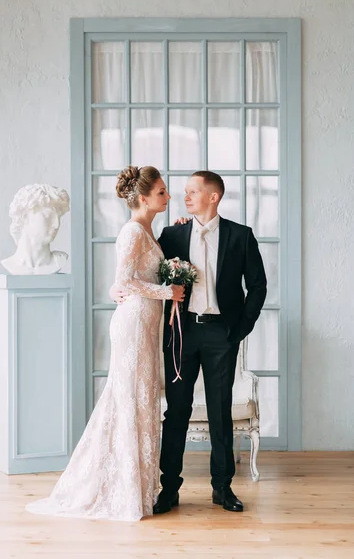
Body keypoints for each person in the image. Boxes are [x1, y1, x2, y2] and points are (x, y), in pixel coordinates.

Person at [26, 166, 184, 521]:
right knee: (129, 400)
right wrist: (167, 292)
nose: (168, 196)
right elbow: (123, 281)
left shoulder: (148, 231)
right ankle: (122, 488)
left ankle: (140, 489)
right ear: (143, 198)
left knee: (141, 401)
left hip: (146, 324)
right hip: (132, 326)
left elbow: (133, 277)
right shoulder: (132, 232)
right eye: (162, 192)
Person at [113, 170, 267, 514]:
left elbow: (257, 286)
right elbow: (141, 270)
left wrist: (240, 329)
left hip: (222, 334)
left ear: (213, 197)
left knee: (219, 413)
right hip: (181, 333)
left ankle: (222, 488)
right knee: (177, 411)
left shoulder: (241, 237)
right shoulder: (172, 234)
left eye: (192, 191)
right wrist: (116, 288)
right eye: (181, 192)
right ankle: (169, 489)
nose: (184, 197)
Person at [1, 183, 70, 275]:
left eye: (58, 218)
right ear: (24, 216)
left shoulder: (59, 262)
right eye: (47, 216)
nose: (56, 225)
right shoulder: (10, 264)